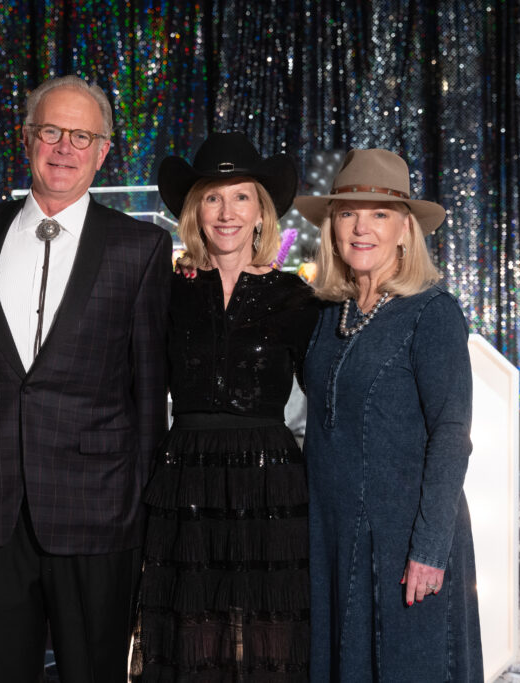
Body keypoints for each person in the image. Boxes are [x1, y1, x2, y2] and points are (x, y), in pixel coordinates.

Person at [0, 75, 172, 682]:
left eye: (81, 136)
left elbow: (149, 394)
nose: (63, 147)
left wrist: (143, 511)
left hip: (100, 511)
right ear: (27, 139)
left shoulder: (140, 247)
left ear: (103, 152)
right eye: (51, 131)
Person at [134, 132, 319, 682]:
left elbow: (332, 395)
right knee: (192, 628)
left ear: (262, 214)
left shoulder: (296, 297)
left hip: (270, 478)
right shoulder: (167, 290)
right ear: (195, 211)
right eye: (213, 197)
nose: (227, 212)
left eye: (241, 197)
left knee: (270, 632)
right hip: (186, 473)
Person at [296, 149, 483, 681]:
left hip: (406, 538)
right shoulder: (328, 313)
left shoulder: (431, 311)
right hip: (333, 537)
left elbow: (452, 434)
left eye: (379, 214)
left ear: (405, 229)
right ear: (332, 227)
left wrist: (429, 547)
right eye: (348, 213)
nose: (362, 227)